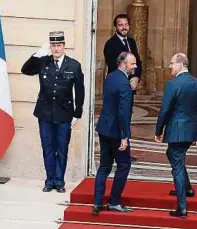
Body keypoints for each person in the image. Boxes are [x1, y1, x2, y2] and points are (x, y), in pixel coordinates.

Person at [21, 31, 85, 193]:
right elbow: (25, 70)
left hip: (65, 113)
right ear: (50, 47)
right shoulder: (43, 62)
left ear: (64, 46)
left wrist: (78, 113)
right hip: (45, 113)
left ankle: (60, 181)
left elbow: (80, 90)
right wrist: (37, 55)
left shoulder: (74, 65)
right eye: (53, 45)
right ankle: (50, 181)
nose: (56, 49)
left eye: (59, 45)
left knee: (62, 148)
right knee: (48, 148)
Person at [154, 53, 197, 218]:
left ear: (181, 64)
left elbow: (165, 109)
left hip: (177, 131)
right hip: (191, 130)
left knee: (176, 164)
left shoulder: (173, 84)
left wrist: (158, 130)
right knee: (173, 155)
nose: (170, 66)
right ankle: (188, 188)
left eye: (172, 63)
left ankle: (182, 207)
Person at [92, 52, 136, 215]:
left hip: (104, 128)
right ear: (123, 64)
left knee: (104, 167)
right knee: (124, 165)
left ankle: (97, 203)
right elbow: (123, 112)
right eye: (132, 64)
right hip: (117, 132)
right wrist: (125, 136)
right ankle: (114, 201)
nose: (135, 66)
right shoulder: (124, 84)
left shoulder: (110, 77)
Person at [103, 13, 142, 162]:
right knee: (117, 116)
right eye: (121, 25)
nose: (124, 27)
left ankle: (124, 150)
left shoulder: (131, 41)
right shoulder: (110, 44)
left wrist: (136, 77)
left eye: (126, 24)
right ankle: (116, 152)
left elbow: (138, 62)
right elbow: (114, 67)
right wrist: (127, 81)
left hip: (129, 86)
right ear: (116, 27)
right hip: (117, 88)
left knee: (126, 117)